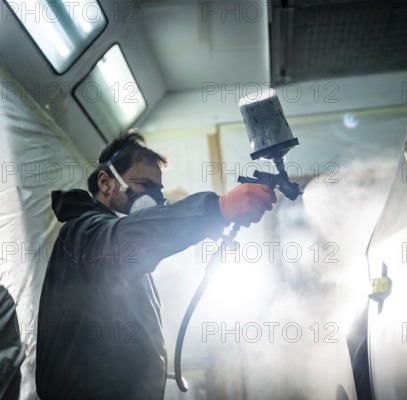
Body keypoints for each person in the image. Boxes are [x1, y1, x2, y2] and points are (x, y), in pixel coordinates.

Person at [36, 131, 276, 400]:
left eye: (157, 191)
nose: (153, 198)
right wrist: (215, 209)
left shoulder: (120, 258)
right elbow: (128, 237)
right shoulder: (84, 232)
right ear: (106, 182)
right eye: (143, 185)